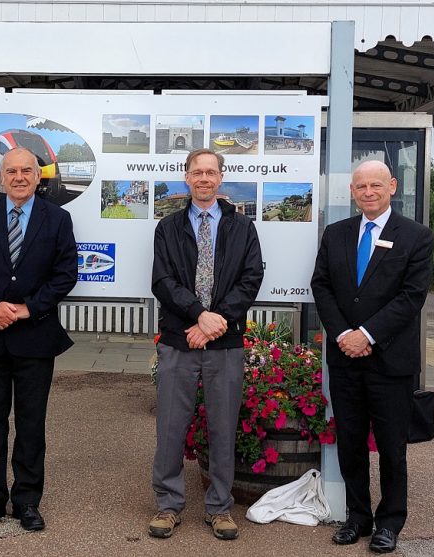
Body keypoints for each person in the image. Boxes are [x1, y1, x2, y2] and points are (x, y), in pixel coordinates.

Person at [311, 160, 433, 554]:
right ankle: (358, 517)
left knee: (392, 447)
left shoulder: (416, 236)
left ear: (392, 186)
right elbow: (322, 285)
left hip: (389, 362)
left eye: (376, 185)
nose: (368, 192)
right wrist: (343, 334)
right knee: (349, 442)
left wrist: (366, 334)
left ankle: (390, 522)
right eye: (361, 186)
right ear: (352, 191)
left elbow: (411, 296)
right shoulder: (336, 234)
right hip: (345, 359)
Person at [0, 147, 78, 531]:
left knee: (30, 424)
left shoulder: (58, 219)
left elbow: (65, 274)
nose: (20, 177)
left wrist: (29, 308)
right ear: (1, 176)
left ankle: (27, 499)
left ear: (38, 176)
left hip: (36, 337)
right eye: (12, 171)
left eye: (27, 170)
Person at [149, 148, 264, 540]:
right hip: (179, 342)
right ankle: (167, 504)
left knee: (222, 427)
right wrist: (198, 314)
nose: (203, 179)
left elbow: (250, 281)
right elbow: (163, 282)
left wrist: (215, 322)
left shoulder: (242, 228)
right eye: (196, 172)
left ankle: (219, 508)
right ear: (186, 178)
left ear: (220, 178)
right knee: (170, 426)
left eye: (210, 172)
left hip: (225, 342)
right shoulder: (168, 227)